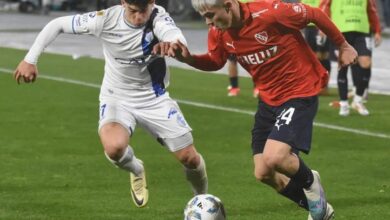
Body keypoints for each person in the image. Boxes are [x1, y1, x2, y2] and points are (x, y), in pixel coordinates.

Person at [154, 0, 358, 219]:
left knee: (276, 158)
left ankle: (310, 181)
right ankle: (321, 210)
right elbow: (215, 61)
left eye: (211, 15)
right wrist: (189, 59)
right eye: (205, 17)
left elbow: (314, 14)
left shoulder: (271, 12)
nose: (208, 22)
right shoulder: (219, 32)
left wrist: (343, 45)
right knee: (263, 172)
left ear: (229, 5)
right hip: (268, 100)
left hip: (299, 91)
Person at [13, 0, 208, 208]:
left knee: (190, 159)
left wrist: (176, 46)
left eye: (143, 11)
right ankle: (136, 169)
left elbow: (174, 35)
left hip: (154, 98)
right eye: (133, 11)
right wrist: (30, 59)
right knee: (114, 148)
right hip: (117, 96)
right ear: (123, 3)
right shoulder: (104, 20)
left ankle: (202, 201)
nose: (139, 17)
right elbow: (57, 24)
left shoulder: (159, 18)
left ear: (152, 2)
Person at [320, 0, 382, 116]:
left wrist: (377, 30)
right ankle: (344, 103)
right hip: (340, 31)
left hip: (362, 31)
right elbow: (324, 7)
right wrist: (322, 26)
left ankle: (358, 100)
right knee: (343, 66)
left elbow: (372, 11)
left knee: (366, 62)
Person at [301, 0, 332, 95]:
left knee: (323, 55)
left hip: (321, 20)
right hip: (308, 23)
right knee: (310, 56)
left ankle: (324, 85)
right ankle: (312, 84)